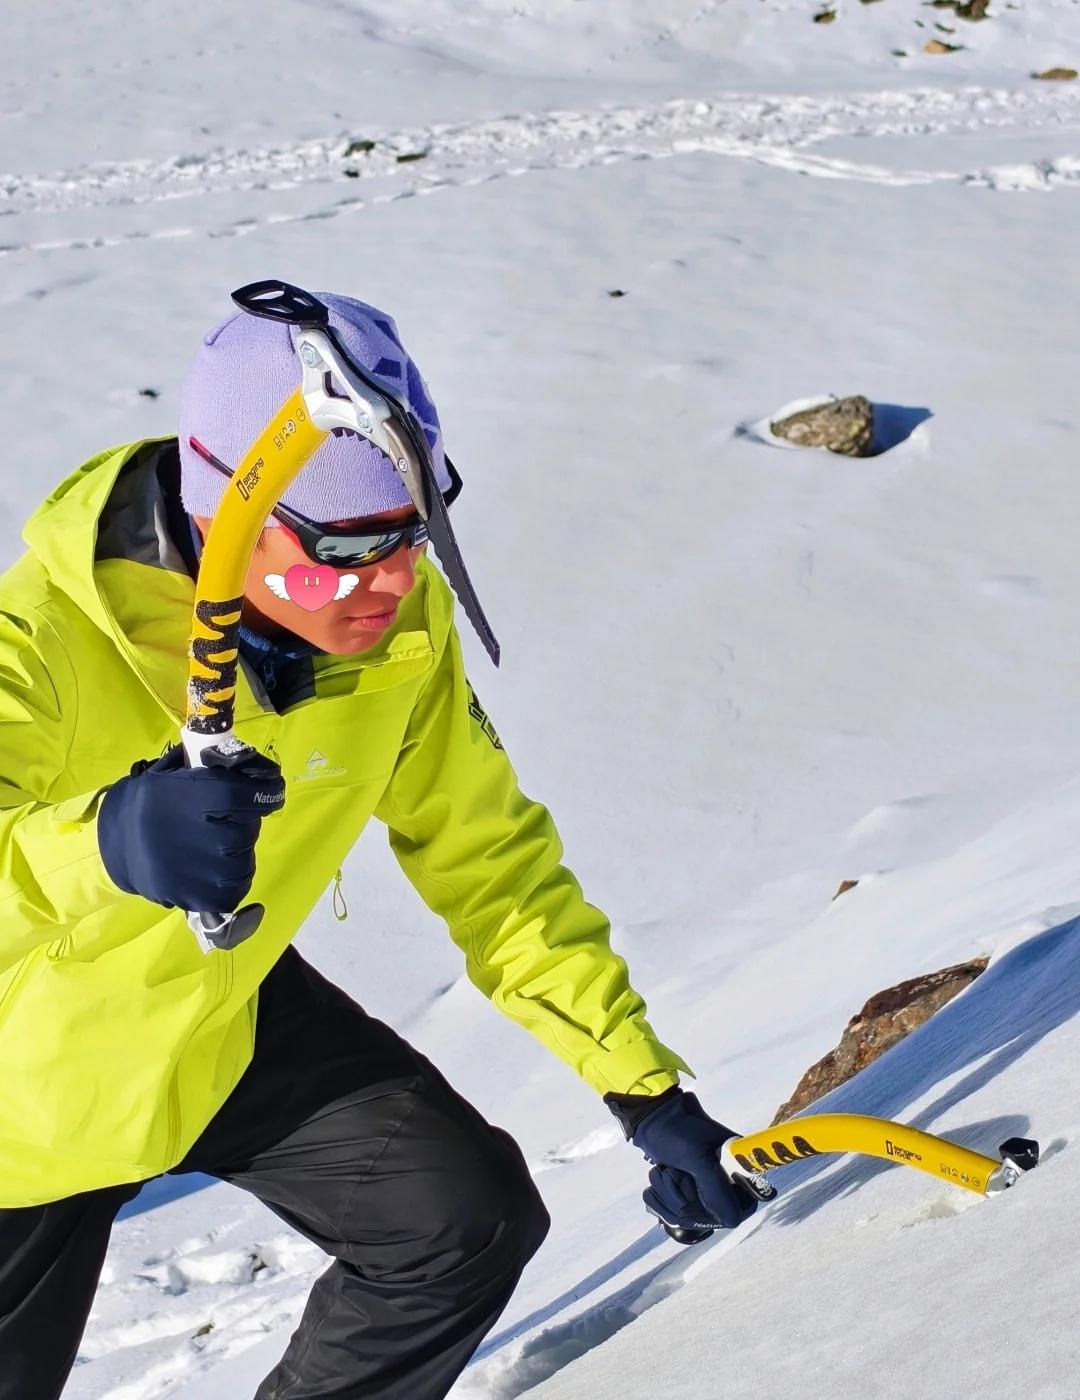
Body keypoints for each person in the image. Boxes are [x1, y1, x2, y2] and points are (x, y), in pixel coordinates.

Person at [0, 289, 757, 1400]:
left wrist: (640, 1087)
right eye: (348, 549)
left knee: (462, 1221)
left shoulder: (395, 629)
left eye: (413, 531)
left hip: (216, 1015)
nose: (395, 582)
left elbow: (489, 860)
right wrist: (105, 842)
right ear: (224, 515)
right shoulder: (40, 643)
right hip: (19, 1100)